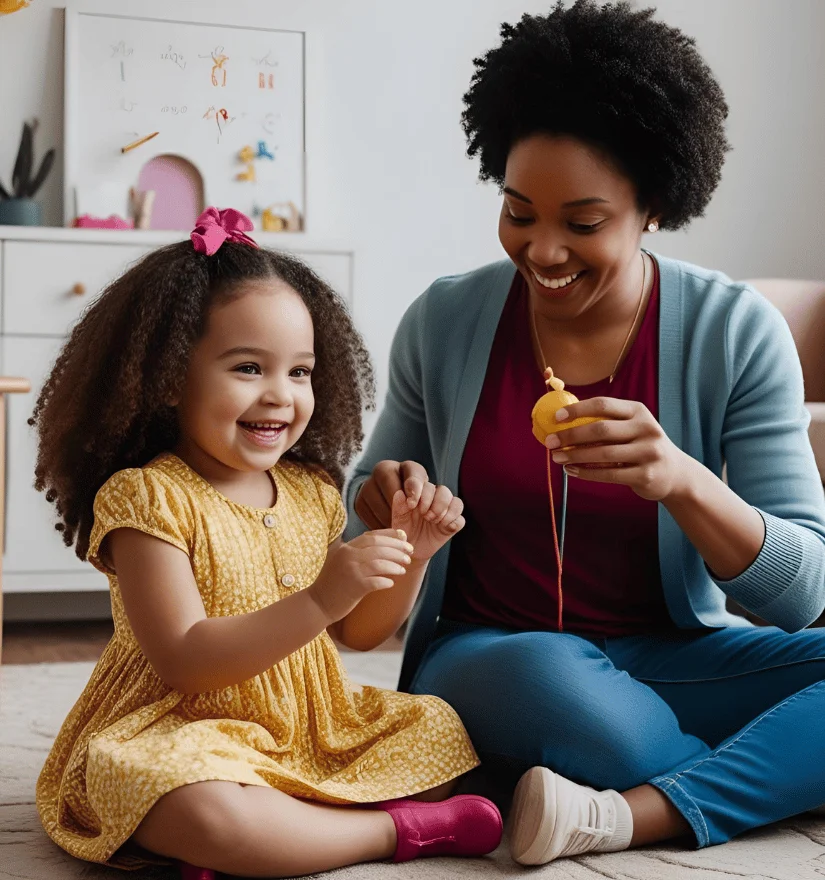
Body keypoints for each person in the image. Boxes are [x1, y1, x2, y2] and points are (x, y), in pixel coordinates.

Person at [345, 0, 825, 867]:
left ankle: (632, 813)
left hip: (673, 656)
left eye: (583, 221)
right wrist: (383, 503)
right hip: (491, 657)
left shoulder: (735, 329)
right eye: (519, 211)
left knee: (632, 714)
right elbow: (363, 533)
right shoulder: (445, 321)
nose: (543, 250)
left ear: (654, 209)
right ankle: (751, 776)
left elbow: (803, 594)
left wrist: (681, 478)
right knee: (560, 689)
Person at [32, 208, 503, 879]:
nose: (280, 395)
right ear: (169, 378)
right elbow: (185, 660)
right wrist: (318, 598)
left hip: (307, 726)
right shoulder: (145, 498)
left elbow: (361, 634)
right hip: (179, 727)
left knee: (436, 731)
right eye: (248, 368)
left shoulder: (311, 490)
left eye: (301, 372)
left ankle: (273, 836)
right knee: (197, 807)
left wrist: (412, 549)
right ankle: (388, 832)